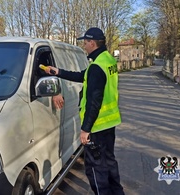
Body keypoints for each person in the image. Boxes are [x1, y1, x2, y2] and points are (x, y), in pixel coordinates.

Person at [43, 27, 124, 195]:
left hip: (97, 126)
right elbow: (83, 76)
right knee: (109, 163)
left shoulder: (97, 66)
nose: (84, 46)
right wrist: (57, 72)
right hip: (110, 123)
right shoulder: (107, 60)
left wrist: (85, 129)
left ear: (92, 43)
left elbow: (94, 102)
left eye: (85, 43)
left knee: (95, 170)